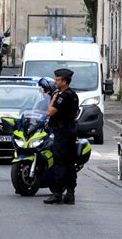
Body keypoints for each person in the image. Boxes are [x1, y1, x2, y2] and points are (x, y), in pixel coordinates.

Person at [44, 68, 80, 205]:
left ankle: (57, 193)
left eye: (58, 80)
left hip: (61, 132)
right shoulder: (73, 95)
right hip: (71, 131)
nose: (55, 82)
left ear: (64, 82)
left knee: (59, 162)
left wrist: (52, 99)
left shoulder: (61, 96)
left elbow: (49, 112)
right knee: (70, 163)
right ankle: (70, 193)